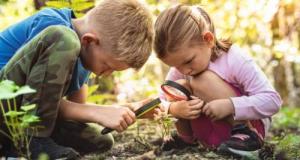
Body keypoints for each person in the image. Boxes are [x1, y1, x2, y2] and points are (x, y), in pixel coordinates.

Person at [0, 0, 153, 159]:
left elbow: (73, 109)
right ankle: (34, 143)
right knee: (65, 38)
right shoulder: (57, 30)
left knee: (100, 139)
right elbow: (29, 95)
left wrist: (121, 110)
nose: (106, 74)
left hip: (16, 119)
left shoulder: (86, 58)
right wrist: (98, 112)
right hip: (5, 97)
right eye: (108, 66)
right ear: (88, 41)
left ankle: (15, 148)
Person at [154, 4, 282, 157]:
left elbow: (273, 101)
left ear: (208, 40)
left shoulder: (234, 58)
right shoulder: (181, 67)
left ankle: (245, 134)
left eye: (188, 61)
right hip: (210, 135)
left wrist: (231, 105)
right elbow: (158, 104)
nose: (183, 71)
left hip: (249, 129)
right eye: (175, 65)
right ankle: (186, 140)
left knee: (202, 80)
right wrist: (175, 109)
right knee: (176, 87)